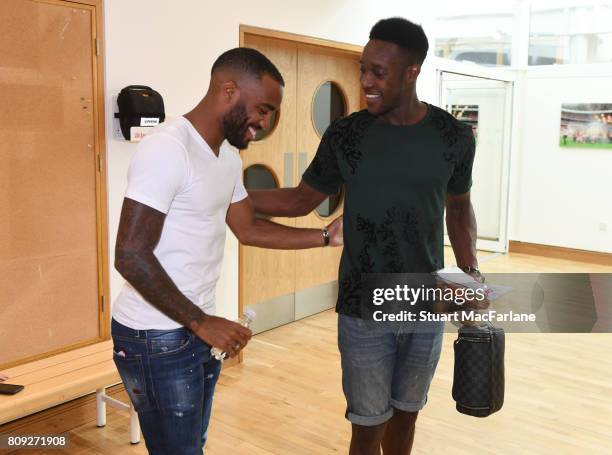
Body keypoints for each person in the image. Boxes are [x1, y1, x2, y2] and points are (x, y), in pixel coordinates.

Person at [249, 18, 484, 455]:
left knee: (407, 414)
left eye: (378, 72)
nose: (365, 81)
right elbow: (302, 199)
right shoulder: (348, 134)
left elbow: (459, 207)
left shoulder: (452, 137)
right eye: (363, 69)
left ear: (411, 71)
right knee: (367, 424)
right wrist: (236, 196)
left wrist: (471, 273)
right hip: (363, 305)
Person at [111, 48, 342, 455]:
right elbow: (130, 254)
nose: (265, 123)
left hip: (193, 327)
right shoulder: (169, 148)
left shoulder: (227, 157)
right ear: (229, 90)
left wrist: (327, 237)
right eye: (263, 109)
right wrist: (202, 322)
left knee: (191, 445)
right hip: (155, 334)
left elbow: (248, 228)